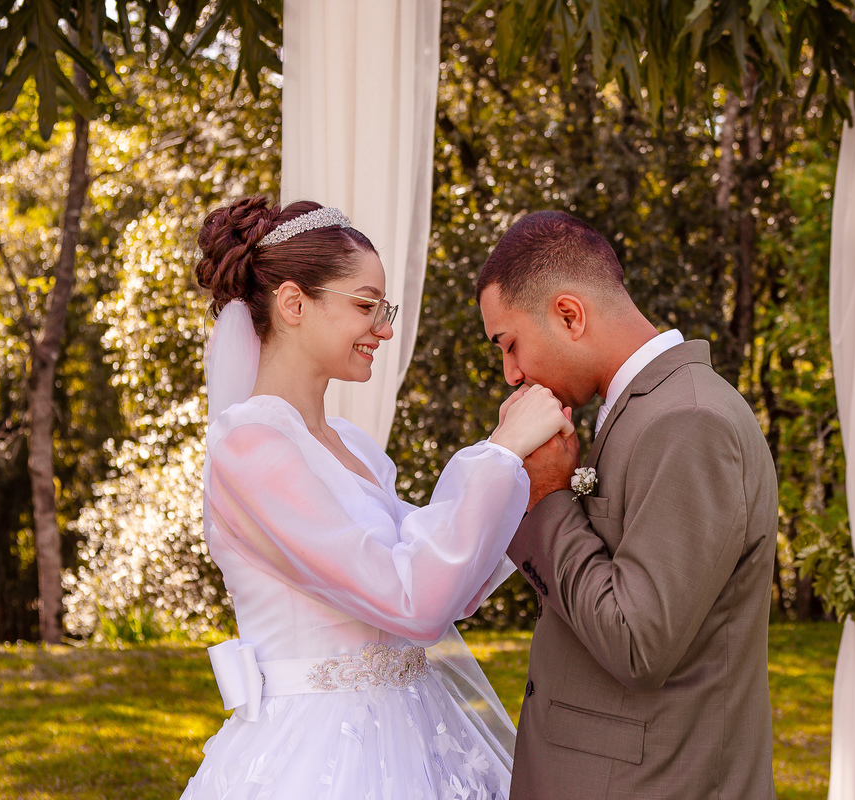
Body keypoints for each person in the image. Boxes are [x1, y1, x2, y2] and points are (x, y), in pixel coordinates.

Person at [180, 197, 572, 800]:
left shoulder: (354, 447)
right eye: (366, 306)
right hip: (320, 756)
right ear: (293, 304)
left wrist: (527, 482)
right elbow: (410, 601)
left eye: (383, 309)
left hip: (413, 728)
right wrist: (498, 453)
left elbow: (450, 586)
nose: (385, 329)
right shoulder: (249, 450)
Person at [477, 210, 779, 800]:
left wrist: (548, 499)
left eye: (510, 345)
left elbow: (638, 642)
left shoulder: (688, 420)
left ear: (569, 315)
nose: (511, 373)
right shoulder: (646, 410)